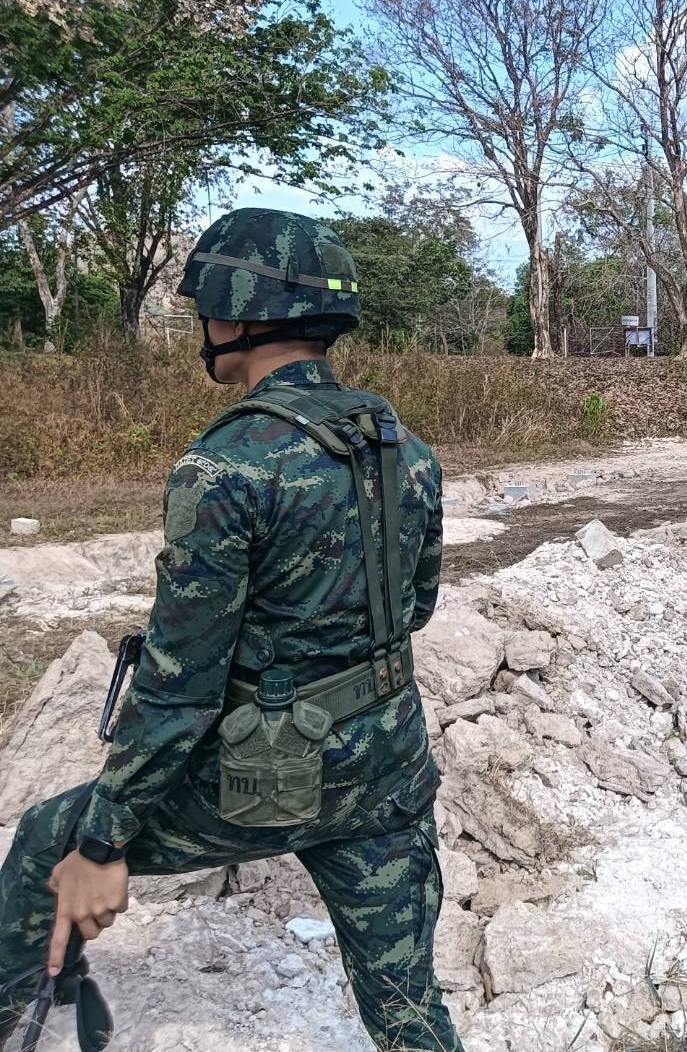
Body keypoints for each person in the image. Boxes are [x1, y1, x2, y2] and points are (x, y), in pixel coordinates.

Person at [0, 208, 461, 1051]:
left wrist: (105, 839)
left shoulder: (226, 464)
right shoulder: (405, 446)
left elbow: (179, 684)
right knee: (407, 1009)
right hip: (389, 768)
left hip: (267, 776)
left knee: (44, 839)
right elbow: (416, 609)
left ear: (238, 317)